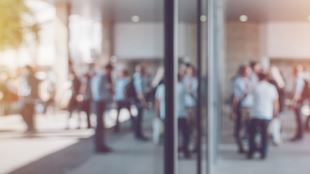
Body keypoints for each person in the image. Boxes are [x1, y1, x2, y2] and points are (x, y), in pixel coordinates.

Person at [155, 75, 190, 158]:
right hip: (181, 114)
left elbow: (158, 102)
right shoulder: (181, 87)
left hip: (166, 115)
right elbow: (187, 101)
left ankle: (171, 153)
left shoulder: (161, 88)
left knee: (170, 135)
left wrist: (158, 113)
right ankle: (184, 150)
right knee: (185, 134)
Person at [247, 72, 279, 160]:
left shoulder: (255, 86)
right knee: (264, 136)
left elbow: (248, 97)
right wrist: (276, 113)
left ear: (258, 77)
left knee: (252, 135)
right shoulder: (271, 88)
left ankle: (251, 152)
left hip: (255, 114)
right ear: (267, 78)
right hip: (267, 115)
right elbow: (275, 102)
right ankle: (263, 153)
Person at [91, 64, 114, 153]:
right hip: (99, 102)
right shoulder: (101, 77)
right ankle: (99, 146)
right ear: (107, 69)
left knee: (100, 125)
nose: (110, 73)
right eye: (110, 71)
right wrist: (107, 95)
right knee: (99, 125)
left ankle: (101, 145)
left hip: (99, 102)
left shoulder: (99, 76)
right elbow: (98, 91)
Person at [231, 65, 252, 153]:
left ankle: (249, 146)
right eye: (248, 71)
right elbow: (236, 97)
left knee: (250, 128)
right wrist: (234, 110)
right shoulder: (238, 82)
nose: (249, 72)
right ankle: (241, 147)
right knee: (240, 128)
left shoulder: (250, 81)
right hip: (242, 107)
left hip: (250, 107)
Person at [19, 66, 39, 133]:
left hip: (30, 98)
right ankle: (29, 126)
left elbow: (33, 89)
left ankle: (30, 127)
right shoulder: (24, 77)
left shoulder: (32, 78)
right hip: (25, 98)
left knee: (29, 113)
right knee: (25, 113)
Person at [132, 65, 149, 141]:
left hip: (138, 99)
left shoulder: (137, 77)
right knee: (139, 118)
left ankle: (138, 133)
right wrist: (143, 102)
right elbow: (140, 92)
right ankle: (138, 134)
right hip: (139, 100)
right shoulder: (138, 78)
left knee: (138, 117)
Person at [291, 65, 305, 141]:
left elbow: (297, 92)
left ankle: (299, 134)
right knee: (299, 118)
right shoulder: (300, 79)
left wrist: (294, 102)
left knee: (299, 118)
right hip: (299, 100)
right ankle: (299, 134)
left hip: (298, 101)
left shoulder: (298, 80)